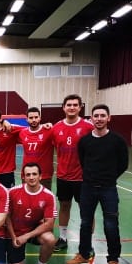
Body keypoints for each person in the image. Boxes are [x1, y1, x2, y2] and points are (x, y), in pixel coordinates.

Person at [66, 104, 128, 264]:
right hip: (88, 188)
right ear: (91, 119)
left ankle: (113, 261)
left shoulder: (117, 141)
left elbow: (123, 164)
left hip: (108, 189)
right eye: (96, 116)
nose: (99, 118)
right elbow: (83, 161)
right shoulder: (85, 141)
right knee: (85, 223)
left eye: (102, 115)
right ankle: (83, 254)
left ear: (109, 118)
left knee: (111, 225)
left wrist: (108, 178)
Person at [52, 94, 94, 252]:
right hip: (63, 176)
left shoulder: (88, 127)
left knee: (86, 209)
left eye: (75, 105)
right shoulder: (56, 128)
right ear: (63, 107)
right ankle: (63, 237)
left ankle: (87, 242)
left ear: (80, 107)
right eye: (68, 105)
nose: (71, 107)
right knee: (64, 206)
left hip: (83, 177)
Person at [7, 163, 58, 264]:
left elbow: (49, 224)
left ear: (40, 176)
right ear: (23, 177)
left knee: (50, 239)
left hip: (33, 231)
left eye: (34, 174)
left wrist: (27, 236)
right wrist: (14, 236)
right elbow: (6, 217)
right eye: (28, 174)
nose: (31, 177)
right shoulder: (13, 192)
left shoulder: (48, 196)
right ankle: (16, 256)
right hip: (16, 232)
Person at [19, 107, 54, 191]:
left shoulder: (49, 131)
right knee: (27, 200)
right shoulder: (22, 132)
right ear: (27, 119)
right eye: (31, 118)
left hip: (44, 175)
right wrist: (4, 121)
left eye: (36, 117)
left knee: (44, 201)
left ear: (40, 118)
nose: (34, 120)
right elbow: (11, 127)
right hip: (27, 174)